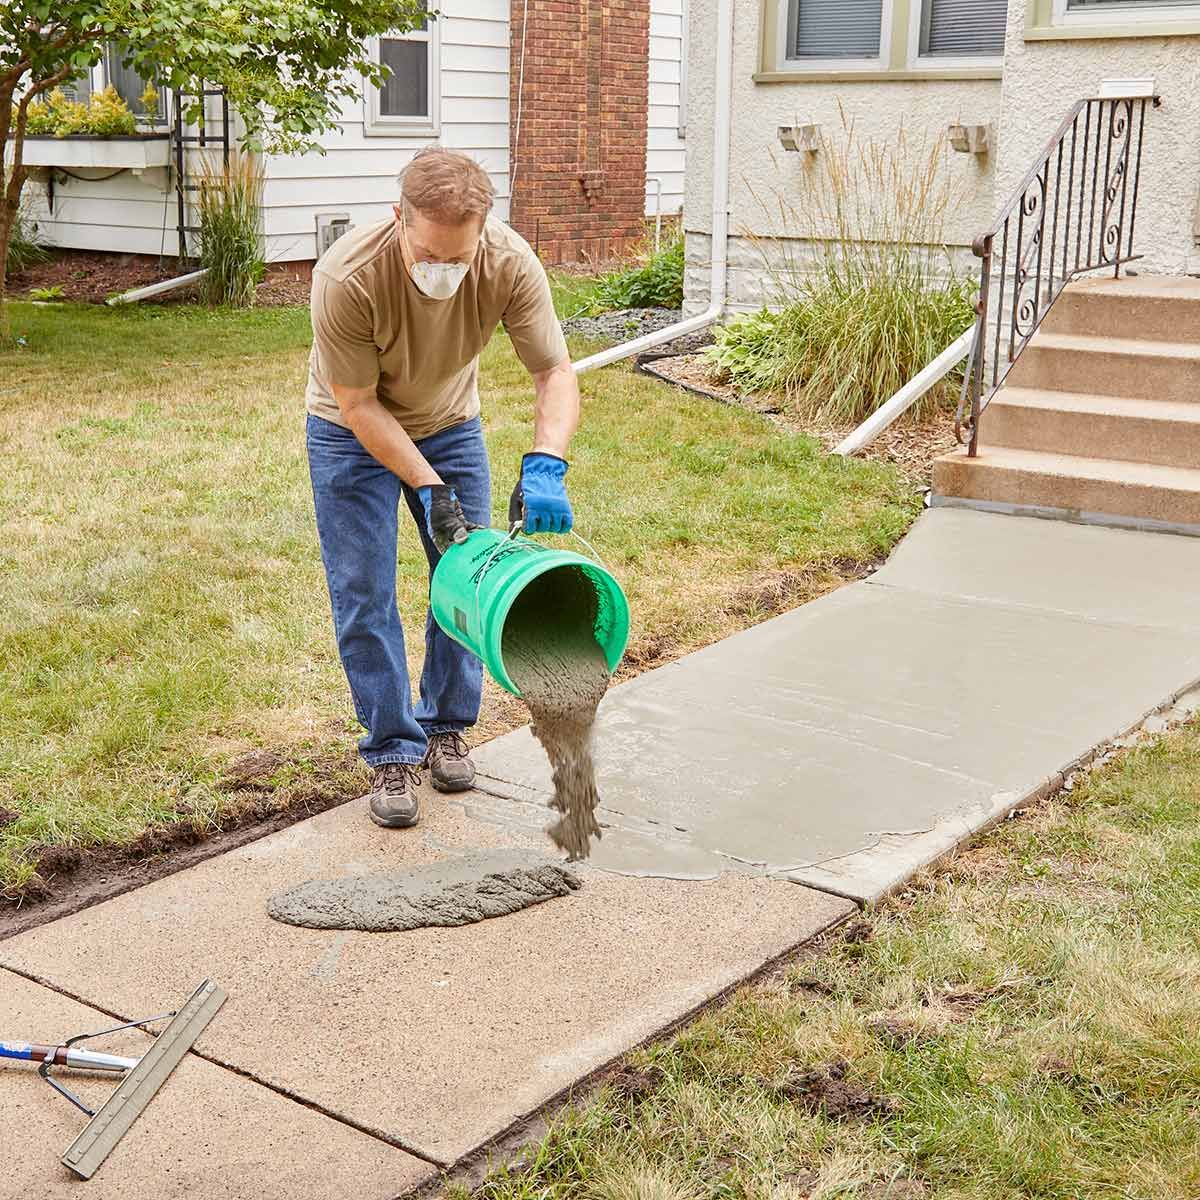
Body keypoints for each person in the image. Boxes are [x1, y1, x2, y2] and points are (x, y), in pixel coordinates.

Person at [306, 147, 580, 830]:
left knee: (468, 578)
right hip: (349, 429)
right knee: (364, 591)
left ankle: (447, 728)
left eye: (459, 258)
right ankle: (391, 750)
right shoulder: (347, 276)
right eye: (430, 255)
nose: (445, 272)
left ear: (483, 231)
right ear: (398, 218)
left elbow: (554, 372)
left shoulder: (508, 262)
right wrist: (429, 488)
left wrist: (547, 462)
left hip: (450, 422)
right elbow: (359, 403)